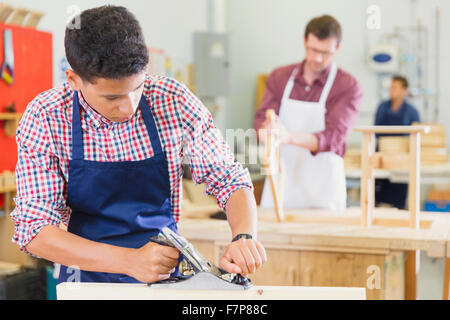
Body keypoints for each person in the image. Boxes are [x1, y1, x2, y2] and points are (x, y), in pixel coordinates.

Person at [11, 5, 266, 284]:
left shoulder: (172, 100)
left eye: (137, 88)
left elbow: (228, 178)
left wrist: (244, 236)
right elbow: (34, 229)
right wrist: (128, 260)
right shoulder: (46, 117)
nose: (129, 106)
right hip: (84, 280)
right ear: (73, 79)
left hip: (164, 277)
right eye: (112, 98)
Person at [254, 15, 363, 211]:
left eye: (325, 53)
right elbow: (261, 119)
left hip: (323, 193)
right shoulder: (279, 77)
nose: (318, 58)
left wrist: (287, 137)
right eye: (313, 50)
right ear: (305, 41)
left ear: (337, 48)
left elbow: (334, 138)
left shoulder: (348, 87)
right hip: (281, 188)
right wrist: (266, 131)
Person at [374, 75, 420, 209]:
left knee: (397, 200)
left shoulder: (411, 111)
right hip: (382, 158)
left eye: (395, 88)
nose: (391, 90)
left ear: (404, 90)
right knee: (378, 197)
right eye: (390, 87)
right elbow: (374, 130)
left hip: (401, 161)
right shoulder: (382, 107)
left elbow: (416, 136)